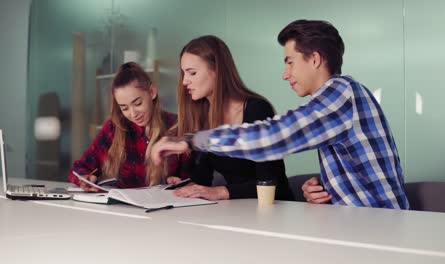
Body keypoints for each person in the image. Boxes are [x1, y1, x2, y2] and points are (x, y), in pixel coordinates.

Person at [151, 20, 409, 209]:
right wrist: (323, 188)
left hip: (379, 229)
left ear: (315, 59)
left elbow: (273, 138)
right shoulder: (338, 100)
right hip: (359, 225)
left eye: (289, 61)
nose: (285, 74)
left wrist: (192, 139)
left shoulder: (340, 93)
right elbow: (359, 166)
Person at [165, 35, 293, 201]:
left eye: (192, 73)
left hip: (275, 209)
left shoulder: (257, 109)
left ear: (217, 71)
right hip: (237, 211)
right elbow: (202, 180)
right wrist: (183, 185)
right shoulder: (204, 114)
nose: (184, 81)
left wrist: (219, 192)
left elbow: (270, 184)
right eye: (183, 73)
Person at [69, 62, 188, 191]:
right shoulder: (113, 128)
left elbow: (194, 177)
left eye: (138, 103)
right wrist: (84, 179)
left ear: (152, 92)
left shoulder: (176, 125)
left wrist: (177, 182)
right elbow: (79, 168)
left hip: (164, 207)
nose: (133, 114)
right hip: (120, 209)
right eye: (124, 108)